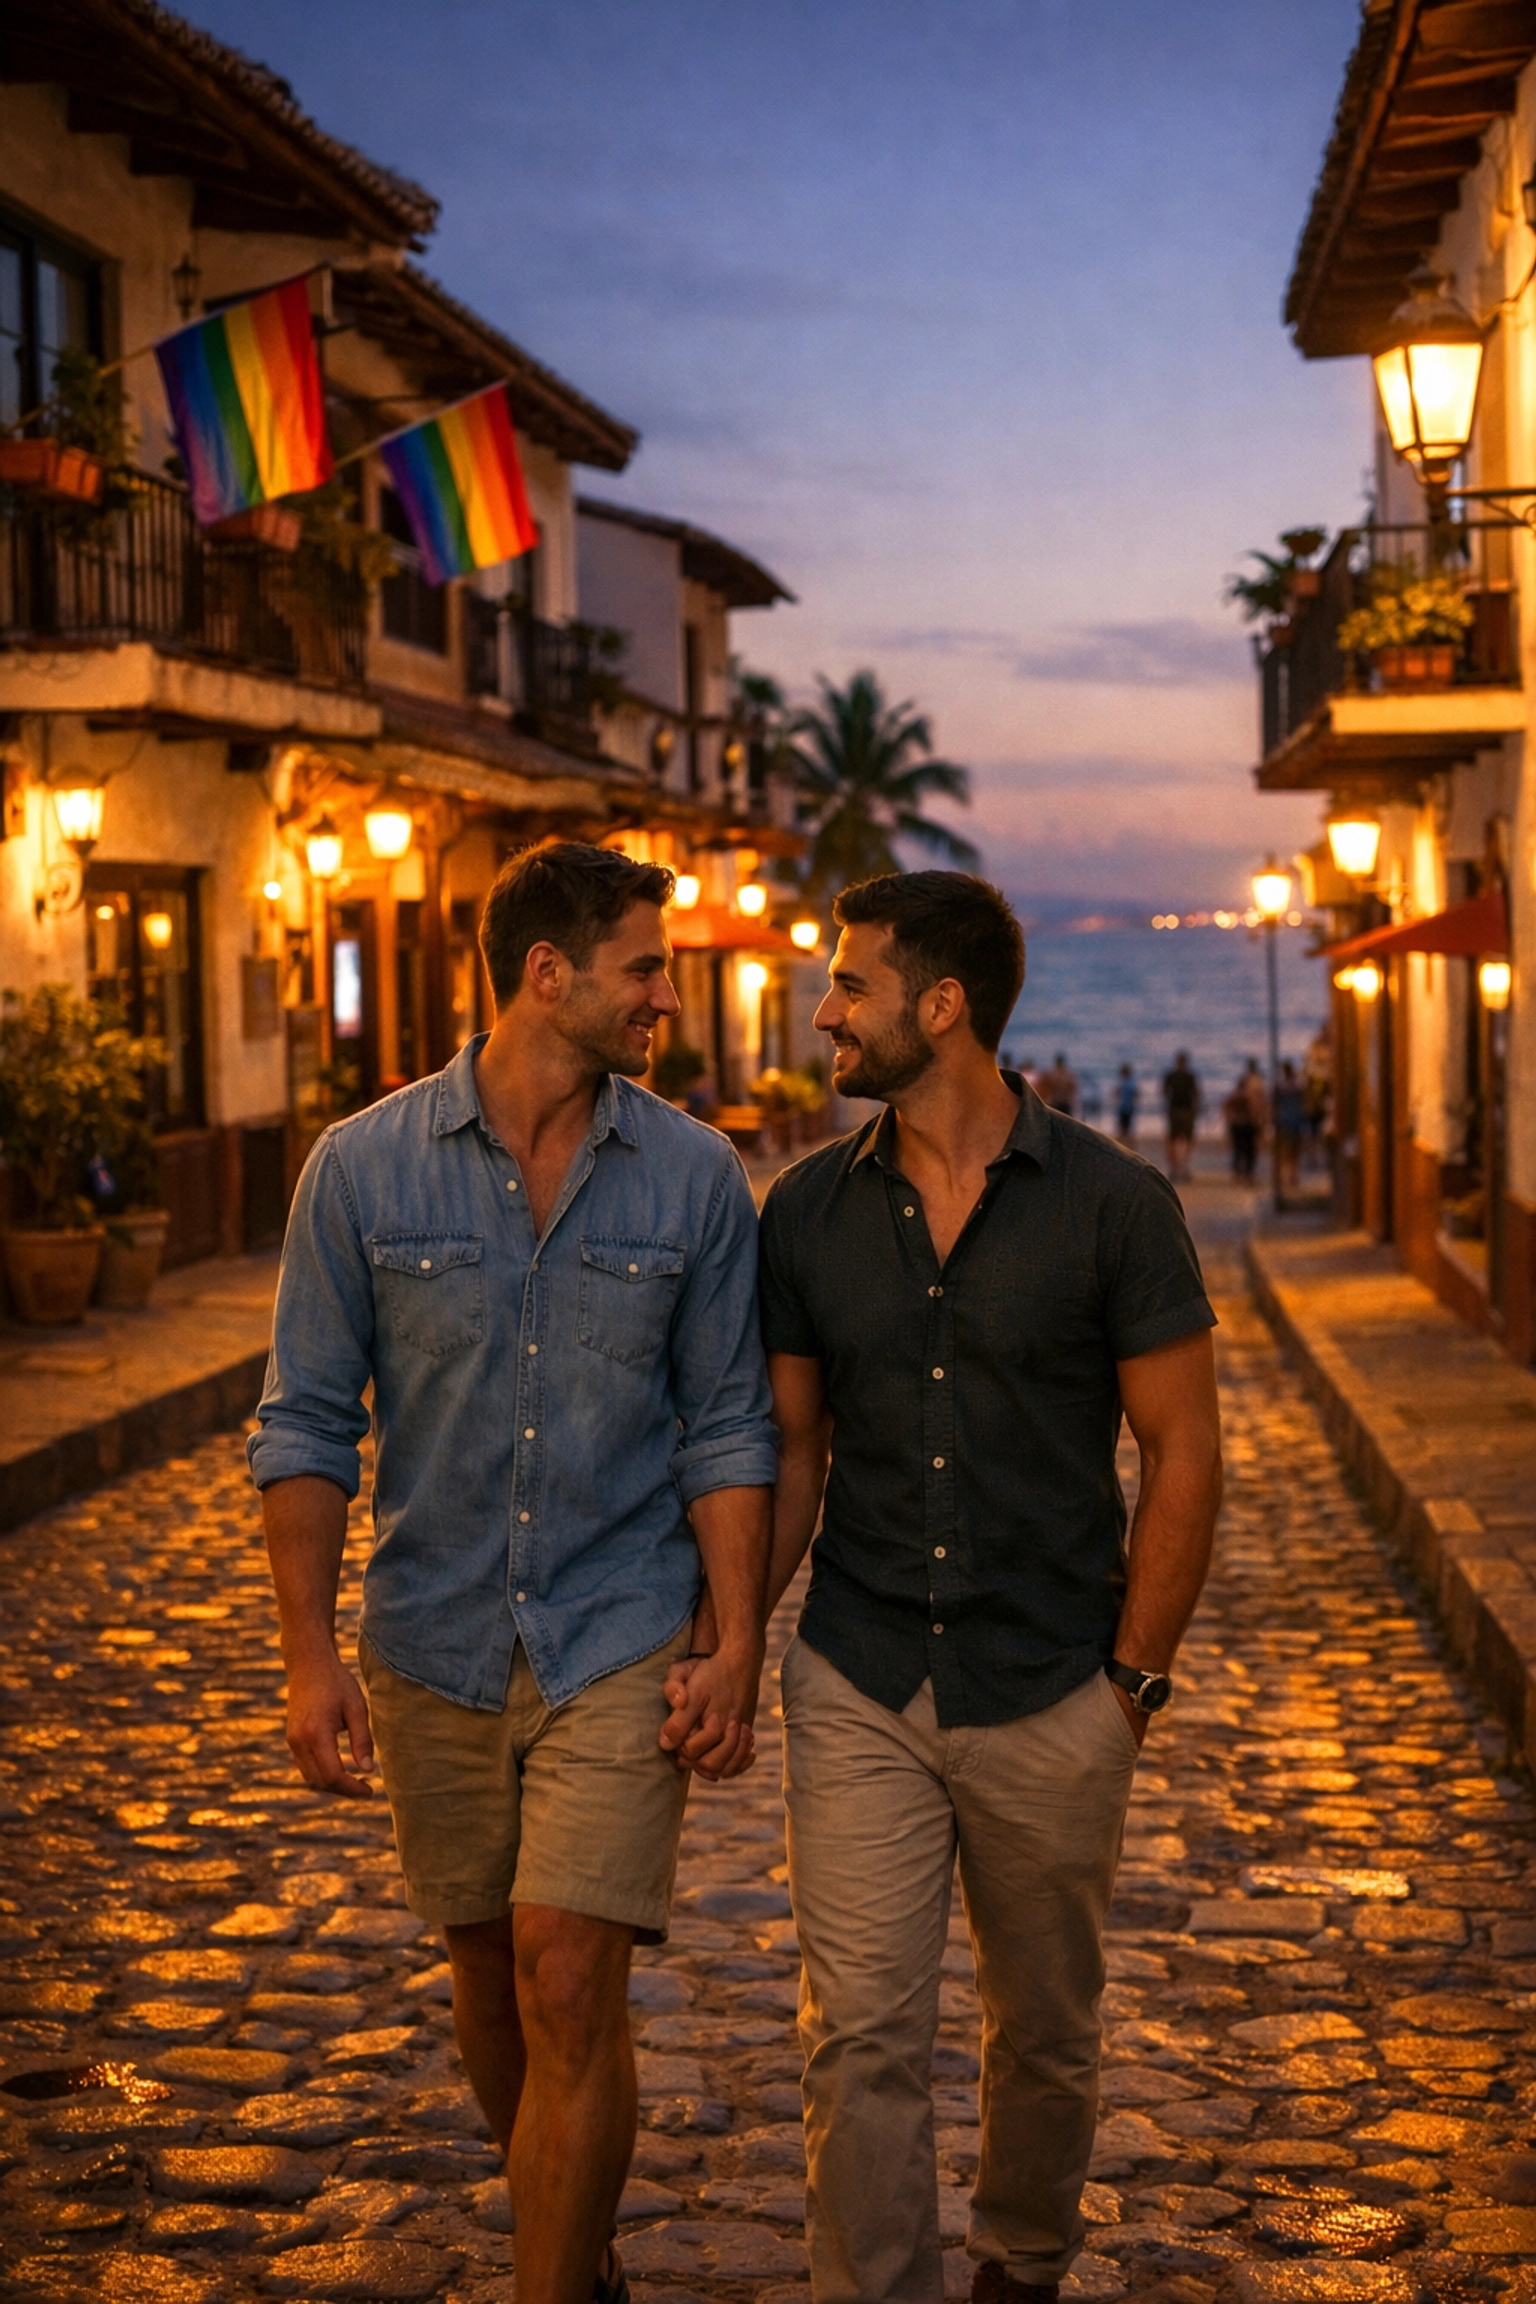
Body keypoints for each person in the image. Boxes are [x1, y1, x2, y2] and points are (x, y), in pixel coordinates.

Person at [248, 841, 778, 2304]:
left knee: (565, 1969)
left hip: (616, 1631)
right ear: (551, 976)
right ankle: (578, 2243)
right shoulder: (359, 1171)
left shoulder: (693, 1180)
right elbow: (303, 1421)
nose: (669, 994)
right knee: (487, 1973)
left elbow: (730, 1425)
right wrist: (308, 1656)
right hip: (436, 1637)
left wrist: (732, 1643)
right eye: (646, 968)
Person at [758, 871, 1222, 2304]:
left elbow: (1184, 1451)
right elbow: (791, 1450)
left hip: (1051, 1681)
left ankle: (1021, 2263)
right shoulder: (804, 1217)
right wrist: (728, 1639)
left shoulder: (1116, 1208)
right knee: (860, 2034)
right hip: (860, 1674)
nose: (823, 1014)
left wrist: (1130, 1685)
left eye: (851, 988)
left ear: (940, 1009)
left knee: (1045, 2032)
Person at [1161, 1050, 1200, 1182]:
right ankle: (1183, 1167)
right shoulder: (1190, 1077)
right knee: (1186, 1140)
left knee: (1173, 1139)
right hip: (1186, 1110)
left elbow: (1164, 1092)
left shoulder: (1171, 1076)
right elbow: (1196, 1094)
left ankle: (1175, 1167)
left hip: (1175, 1109)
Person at [1225, 1061, 1262, 1181]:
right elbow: (1253, 1109)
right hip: (1247, 1124)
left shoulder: (1234, 1095)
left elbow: (1226, 1107)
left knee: (1238, 1150)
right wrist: (1257, 1121)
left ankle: (1237, 1173)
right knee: (1249, 1151)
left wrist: (1229, 1119)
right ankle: (1248, 1174)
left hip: (1236, 1124)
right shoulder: (1247, 1095)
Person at [1274, 1058, 1306, 1195]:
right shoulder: (1298, 1086)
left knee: (1283, 1150)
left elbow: (1275, 1105)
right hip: (1296, 1121)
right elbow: (1304, 1103)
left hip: (1283, 1121)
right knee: (1294, 1151)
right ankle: (1293, 1175)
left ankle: (1283, 1176)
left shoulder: (1280, 1087)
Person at [1035, 1050, 1077, 1115]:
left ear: (1056, 1063)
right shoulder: (1069, 1075)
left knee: (1054, 1123)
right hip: (1065, 1103)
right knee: (1066, 1123)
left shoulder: (1051, 1075)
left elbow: (1045, 1088)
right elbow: (1073, 1089)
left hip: (1054, 1102)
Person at [1114, 1062, 1139, 1145]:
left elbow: (1116, 1093)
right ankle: (1130, 1146)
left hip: (1123, 1107)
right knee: (1129, 1128)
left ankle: (1123, 1145)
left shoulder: (1123, 1083)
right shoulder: (1131, 1082)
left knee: (1122, 1129)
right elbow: (1137, 1094)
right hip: (1130, 1107)